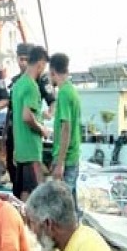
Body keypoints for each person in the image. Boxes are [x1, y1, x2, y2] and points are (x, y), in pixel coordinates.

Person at [10, 46, 50, 200]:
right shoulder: (32, 86)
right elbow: (27, 116)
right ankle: (30, 224)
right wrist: (42, 130)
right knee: (33, 194)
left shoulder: (17, 84)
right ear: (40, 64)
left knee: (22, 193)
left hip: (20, 150)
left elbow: (15, 118)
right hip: (31, 150)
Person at [49, 52, 82, 206]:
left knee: (62, 206)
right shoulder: (72, 91)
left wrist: (60, 162)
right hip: (72, 155)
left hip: (67, 158)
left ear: (53, 72)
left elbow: (66, 128)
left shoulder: (63, 93)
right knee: (71, 203)